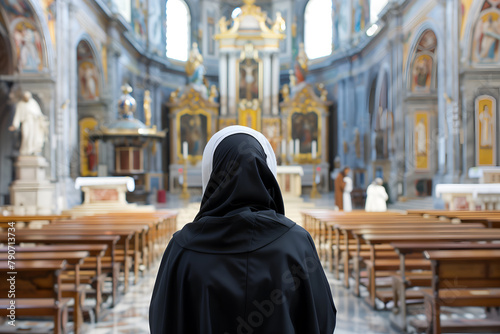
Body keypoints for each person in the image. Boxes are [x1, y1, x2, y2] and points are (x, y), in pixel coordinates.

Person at [150, 125, 336, 334]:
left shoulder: (182, 247)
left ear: (212, 172)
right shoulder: (297, 243)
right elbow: (322, 320)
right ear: (266, 171)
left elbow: (163, 321)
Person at [9, 91, 47, 156]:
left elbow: (39, 114)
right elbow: (17, 115)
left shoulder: (33, 103)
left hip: (33, 123)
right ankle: (25, 150)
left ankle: (31, 150)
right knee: (26, 135)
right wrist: (15, 125)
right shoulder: (20, 104)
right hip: (25, 122)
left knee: (32, 136)